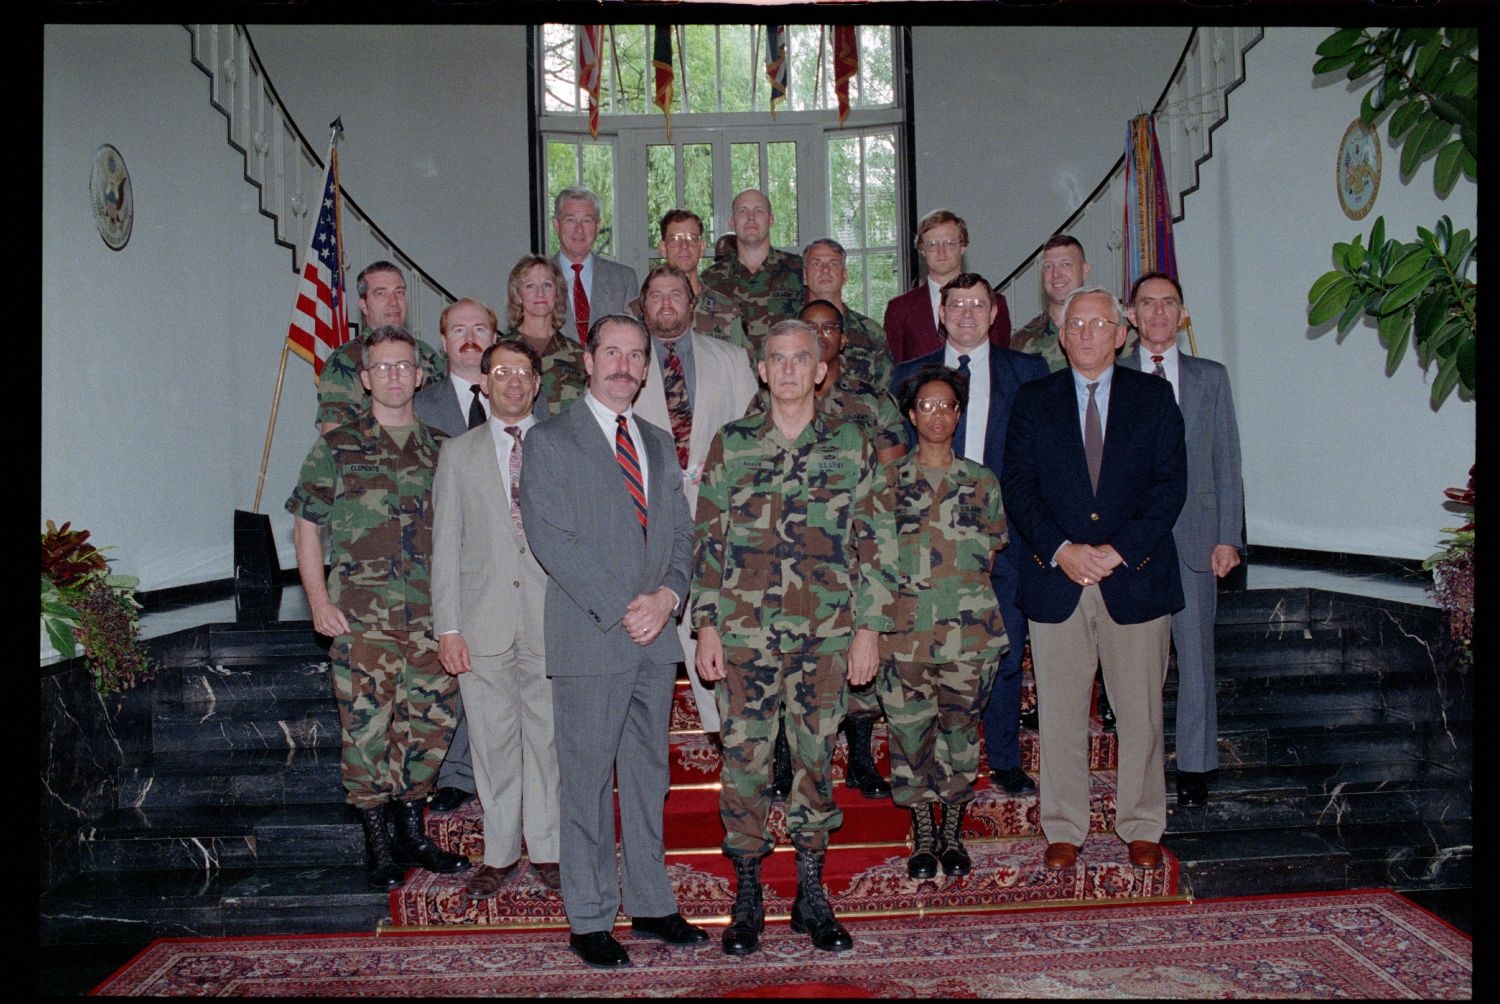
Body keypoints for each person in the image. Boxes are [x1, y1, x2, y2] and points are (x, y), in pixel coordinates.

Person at [692, 319, 895, 957]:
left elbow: (876, 539)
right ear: (761, 369)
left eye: (799, 359)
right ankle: (747, 896)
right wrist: (704, 624)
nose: (786, 370)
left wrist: (869, 627)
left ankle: (811, 894)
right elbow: (706, 542)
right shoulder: (733, 444)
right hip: (746, 636)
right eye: (775, 359)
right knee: (745, 766)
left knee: (814, 761)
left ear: (818, 369)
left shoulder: (850, 442)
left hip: (827, 635)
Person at [518, 314, 708, 969]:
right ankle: (592, 918)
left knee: (648, 778)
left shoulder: (657, 441)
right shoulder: (550, 441)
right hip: (592, 636)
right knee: (588, 784)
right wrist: (623, 607)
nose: (625, 364)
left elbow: (682, 535)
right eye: (614, 353)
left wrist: (668, 597)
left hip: (656, 640)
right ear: (590, 361)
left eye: (637, 355)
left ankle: (653, 905)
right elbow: (551, 538)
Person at [1002, 285, 1186, 872]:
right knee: (1058, 712)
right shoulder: (1035, 400)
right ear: (1061, 335)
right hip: (1056, 580)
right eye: (1075, 324)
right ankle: (1064, 826)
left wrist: (1114, 551)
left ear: (1121, 333)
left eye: (1098, 324)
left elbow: (1169, 487)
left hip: (1134, 577)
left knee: (1140, 712)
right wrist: (1062, 550)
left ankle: (1141, 824)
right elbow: (1019, 487)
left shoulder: (1154, 398)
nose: (1085, 333)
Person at [287, 326, 470, 890]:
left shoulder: (446, 450)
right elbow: (306, 526)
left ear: (420, 376)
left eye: (404, 366)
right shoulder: (337, 447)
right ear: (364, 379)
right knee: (367, 731)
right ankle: (378, 842)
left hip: (432, 621)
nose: (394, 375)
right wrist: (317, 600)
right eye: (382, 367)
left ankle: (412, 831)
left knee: (429, 727)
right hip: (361, 618)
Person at [893, 274, 1048, 796]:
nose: (965, 314)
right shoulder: (909, 375)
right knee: (922, 663)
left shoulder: (1028, 372)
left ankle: (1003, 758)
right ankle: (930, 766)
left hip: (1003, 540)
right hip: (923, 548)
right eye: (955, 304)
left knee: (1002, 652)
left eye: (976, 304)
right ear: (940, 313)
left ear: (994, 311)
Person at [432, 338, 562, 899]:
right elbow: (446, 546)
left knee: (548, 741)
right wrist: (448, 626)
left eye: (524, 372)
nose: (513, 381)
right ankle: (501, 851)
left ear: (537, 383)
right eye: (501, 371)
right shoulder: (456, 454)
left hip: (550, 619)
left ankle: (552, 850)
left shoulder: (563, 447)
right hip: (482, 624)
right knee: (491, 743)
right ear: (483, 382)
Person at [876, 364, 1008, 879]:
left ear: (958, 414)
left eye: (946, 406)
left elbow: (992, 555)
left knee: (960, 733)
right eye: (926, 406)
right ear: (911, 415)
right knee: (910, 737)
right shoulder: (886, 484)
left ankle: (951, 831)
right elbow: (872, 560)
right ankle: (923, 836)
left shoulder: (980, 481)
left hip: (968, 636)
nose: (937, 415)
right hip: (904, 638)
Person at [1120, 272, 1243, 806]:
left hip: (1196, 538)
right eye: (1148, 304)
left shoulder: (1210, 378)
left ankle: (1196, 767)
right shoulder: (1112, 374)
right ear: (1131, 316)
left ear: (1183, 314)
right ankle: (1141, 767)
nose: (1159, 313)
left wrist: (1228, 537)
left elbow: (1227, 460)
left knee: (1195, 657)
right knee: (1137, 666)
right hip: (1133, 541)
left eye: (1169, 304)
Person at [631, 266, 760, 747]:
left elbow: (752, 435)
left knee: (719, 629)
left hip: (721, 517)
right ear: (643, 306)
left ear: (693, 303)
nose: (666, 303)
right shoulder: (626, 362)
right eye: (656, 295)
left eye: (676, 295)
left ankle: (729, 737)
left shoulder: (730, 359)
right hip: (649, 523)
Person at [795, 298, 905, 801]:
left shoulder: (871, 399)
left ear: (842, 338)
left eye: (829, 328)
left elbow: (892, 473)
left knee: (860, 661)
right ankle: (784, 761)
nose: (820, 336)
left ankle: (860, 758)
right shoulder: (778, 393)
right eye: (809, 328)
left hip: (855, 544)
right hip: (793, 547)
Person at [413, 297, 501, 814]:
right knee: (450, 668)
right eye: (458, 329)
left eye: (481, 328)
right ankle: (452, 772)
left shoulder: (523, 400)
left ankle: (484, 766)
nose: (470, 337)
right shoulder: (418, 407)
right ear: (442, 343)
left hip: (505, 562)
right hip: (439, 558)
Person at [316, 261, 446, 433]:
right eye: (381, 293)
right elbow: (334, 441)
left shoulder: (428, 356)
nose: (393, 302)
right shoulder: (344, 361)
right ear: (364, 305)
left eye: (399, 292)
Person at [883, 210, 1012, 364]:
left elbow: (1002, 365)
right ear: (922, 250)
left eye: (949, 243)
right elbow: (894, 372)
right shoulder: (900, 309)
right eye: (932, 245)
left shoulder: (995, 303)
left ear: (963, 246)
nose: (941, 251)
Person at [698, 189, 805, 355]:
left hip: (784, 376)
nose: (751, 217)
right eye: (742, 211)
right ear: (732, 222)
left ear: (771, 220)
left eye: (759, 211)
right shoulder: (710, 279)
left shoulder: (798, 271)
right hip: (731, 378)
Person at [625, 209, 749, 349]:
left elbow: (743, 365)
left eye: (692, 238)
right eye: (675, 239)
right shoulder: (638, 311)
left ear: (701, 247)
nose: (684, 246)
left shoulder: (726, 311)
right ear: (663, 248)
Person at [801, 237, 893, 392]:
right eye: (816, 264)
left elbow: (886, 394)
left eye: (833, 264)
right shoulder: (786, 332)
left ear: (845, 275)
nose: (825, 270)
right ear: (804, 276)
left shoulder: (871, 333)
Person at [552, 187, 639, 345]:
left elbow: (632, 342)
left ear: (597, 226)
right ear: (556, 225)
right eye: (570, 220)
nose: (579, 230)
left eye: (587, 221)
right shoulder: (538, 279)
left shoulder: (624, 280)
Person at [504, 254, 587, 419]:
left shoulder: (578, 355)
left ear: (557, 294)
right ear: (518, 295)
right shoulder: (500, 352)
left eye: (547, 285)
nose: (540, 293)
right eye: (530, 286)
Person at [1009, 234, 1092, 373]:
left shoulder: (1111, 331)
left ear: (1085, 271)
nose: (1056, 274)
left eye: (1065, 264)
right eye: (1048, 267)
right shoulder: (1021, 341)